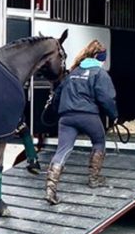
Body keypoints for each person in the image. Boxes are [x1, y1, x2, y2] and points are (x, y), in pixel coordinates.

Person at [45, 39, 119, 205]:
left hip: (66, 118)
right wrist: (113, 115)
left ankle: (50, 188)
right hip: (87, 116)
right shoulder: (99, 73)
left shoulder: (72, 72)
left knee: (63, 149)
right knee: (99, 141)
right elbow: (106, 98)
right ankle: (94, 179)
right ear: (100, 58)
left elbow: (57, 95)